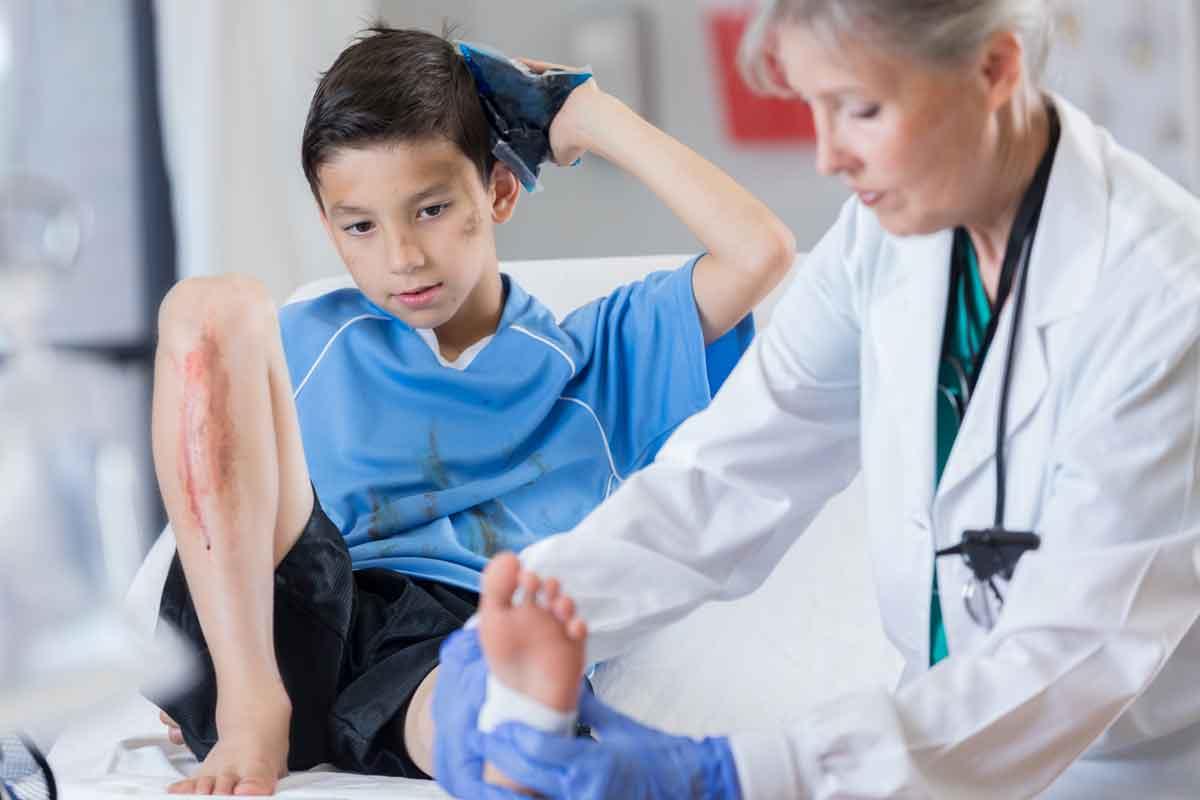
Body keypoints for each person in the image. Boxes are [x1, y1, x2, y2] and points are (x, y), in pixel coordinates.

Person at [432, 1, 1200, 797]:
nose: (829, 155)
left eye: (859, 109)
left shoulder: (1168, 300)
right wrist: (534, 612)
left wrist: (733, 776)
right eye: (812, 107)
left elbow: (1079, 653)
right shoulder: (885, 237)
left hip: (1121, 774)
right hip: (915, 752)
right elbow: (731, 468)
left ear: (995, 69)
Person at [146, 25, 796, 797]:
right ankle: (250, 707)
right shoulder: (303, 339)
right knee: (211, 305)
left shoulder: (604, 356)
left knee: (490, 713)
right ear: (329, 227)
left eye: (430, 209)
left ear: (498, 191)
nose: (402, 257)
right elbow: (218, 484)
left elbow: (759, 251)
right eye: (361, 226)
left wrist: (590, 116)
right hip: (290, 610)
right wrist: (231, 656)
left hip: (451, 643)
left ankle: (516, 745)